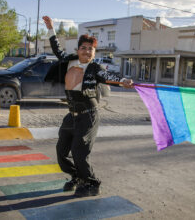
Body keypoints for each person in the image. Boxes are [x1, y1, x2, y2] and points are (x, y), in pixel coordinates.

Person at [42, 16, 133, 197]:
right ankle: (76, 176)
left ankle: (92, 183)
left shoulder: (95, 68)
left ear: (94, 52)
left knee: (79, 151)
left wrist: (123, 81)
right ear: (78, 49)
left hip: (89, 114)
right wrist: (51, 29)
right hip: (72, 115)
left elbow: (109, 76)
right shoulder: (69, 60)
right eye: (83, 48)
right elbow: (57, 48)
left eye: (90, 49)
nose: (86, 51)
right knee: (61, 151)